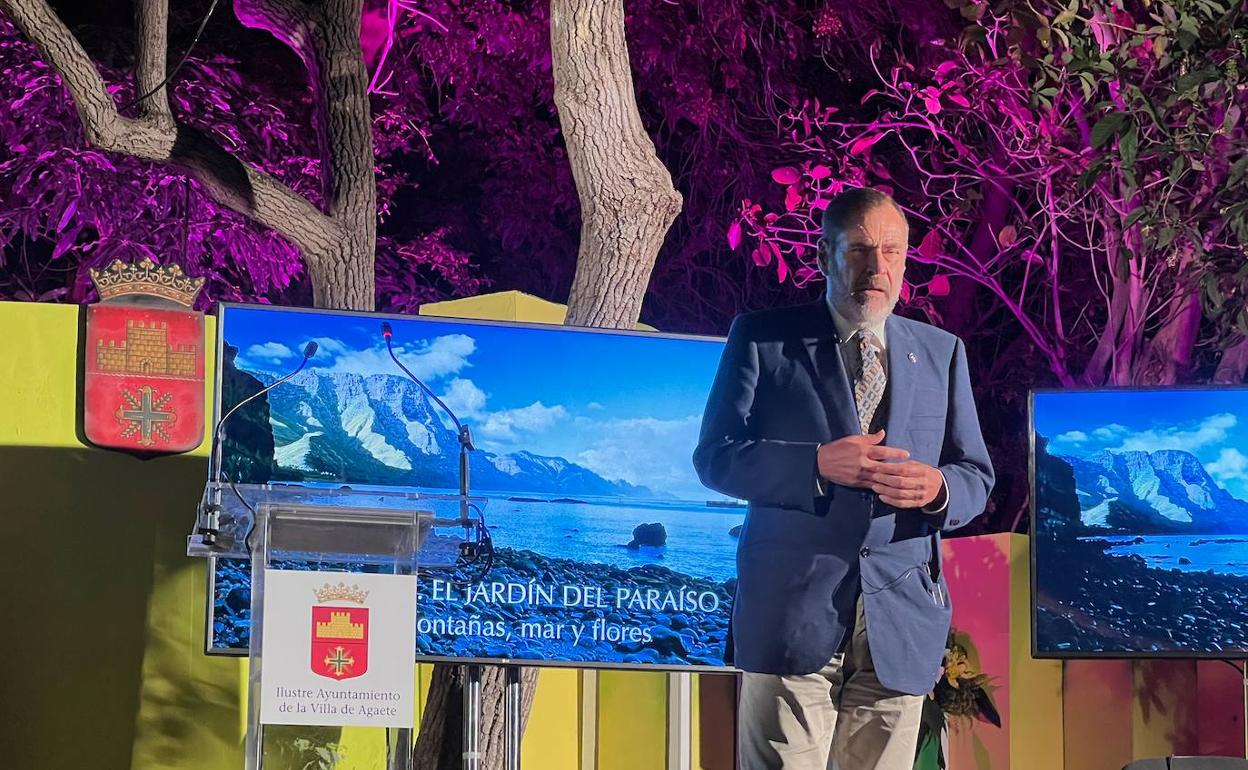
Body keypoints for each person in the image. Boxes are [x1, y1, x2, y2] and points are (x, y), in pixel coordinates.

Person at [693, 188, 994, 770]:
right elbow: (716, 457)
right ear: (825, 255)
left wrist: (938, 490)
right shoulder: (762, 338)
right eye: (859, 250)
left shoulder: (942, 353)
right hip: (789, 613)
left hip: (901, 621)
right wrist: (814, 465)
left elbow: (975, 475)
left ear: (906, 260)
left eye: (891, 250)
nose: (877, 266)